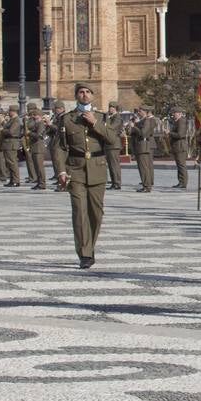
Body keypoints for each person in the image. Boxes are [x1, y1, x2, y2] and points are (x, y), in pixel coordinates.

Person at [59, 83, 120, 269]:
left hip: (97, 168)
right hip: (75, 169)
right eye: (81, 92)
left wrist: (95, 123)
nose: (84, 95)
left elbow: (113, 139)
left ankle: (90, 246)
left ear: (93, 95)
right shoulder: (67, 119)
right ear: (76, 95)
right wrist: (61, 170)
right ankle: (84, 253)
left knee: (96, 213)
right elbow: (60, 147)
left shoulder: (102, 117)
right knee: (79, 211)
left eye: (87, 92)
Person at [130, 106, 157, 192]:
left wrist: (134, 126)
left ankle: (147, 186)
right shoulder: (142, 121)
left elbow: (143, 133)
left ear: (145, 112)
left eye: (140, 111)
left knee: (144, 167)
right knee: (142, 168)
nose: (138, 112)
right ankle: (145, 185)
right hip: (139, 146)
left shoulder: (147, 121)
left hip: (143, 146)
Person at [26, 105, 50, 190]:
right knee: (36, 166)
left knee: (39, 167)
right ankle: (39, 182)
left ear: (39, 116)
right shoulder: (36, 124)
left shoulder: (40, 124)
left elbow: (39, 136)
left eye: (35, 115)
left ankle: (42, 183)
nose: (33, 117)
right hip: (35, 147)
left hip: (39, 148)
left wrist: (29, 133)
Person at [169, 108, 193, 189]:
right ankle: (181, 181)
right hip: (177, 146)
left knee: (181, 165)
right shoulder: (177, 121)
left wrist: (170, 133)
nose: (173, 114)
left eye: (175, 113)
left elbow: (180, 134)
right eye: (173, 113)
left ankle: (183, 182)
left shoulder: (181, 121)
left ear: (179, 113)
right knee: (179, 165)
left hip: (180, 146)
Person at [103, 102, 124, 190]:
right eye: (109, 107)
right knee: (111, 165)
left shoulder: (117, 117)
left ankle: (117, 183)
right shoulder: (110, 117)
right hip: (109, 144)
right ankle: (114, 182)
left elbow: (111, 127)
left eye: (112, 107)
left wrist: (106, 120)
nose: (110, 109)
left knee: (114, 164)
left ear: (116, 108)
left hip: (114, 144)